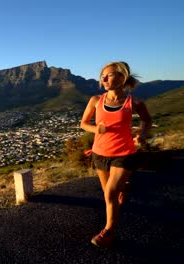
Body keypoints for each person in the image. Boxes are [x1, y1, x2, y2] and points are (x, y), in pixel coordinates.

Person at [80, 61, 152, 248]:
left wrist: (141, 135)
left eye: (109, 75)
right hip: (100, 153)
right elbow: (83, 124)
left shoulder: (134, 102)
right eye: (102, 75)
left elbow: (147, 120)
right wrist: (97, 129)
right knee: (108, 192)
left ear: (122, 77)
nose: (103, 78)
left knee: (110, 194)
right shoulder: (96, 100)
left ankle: (109, 231)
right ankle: (122, 187)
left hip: (124, 153)